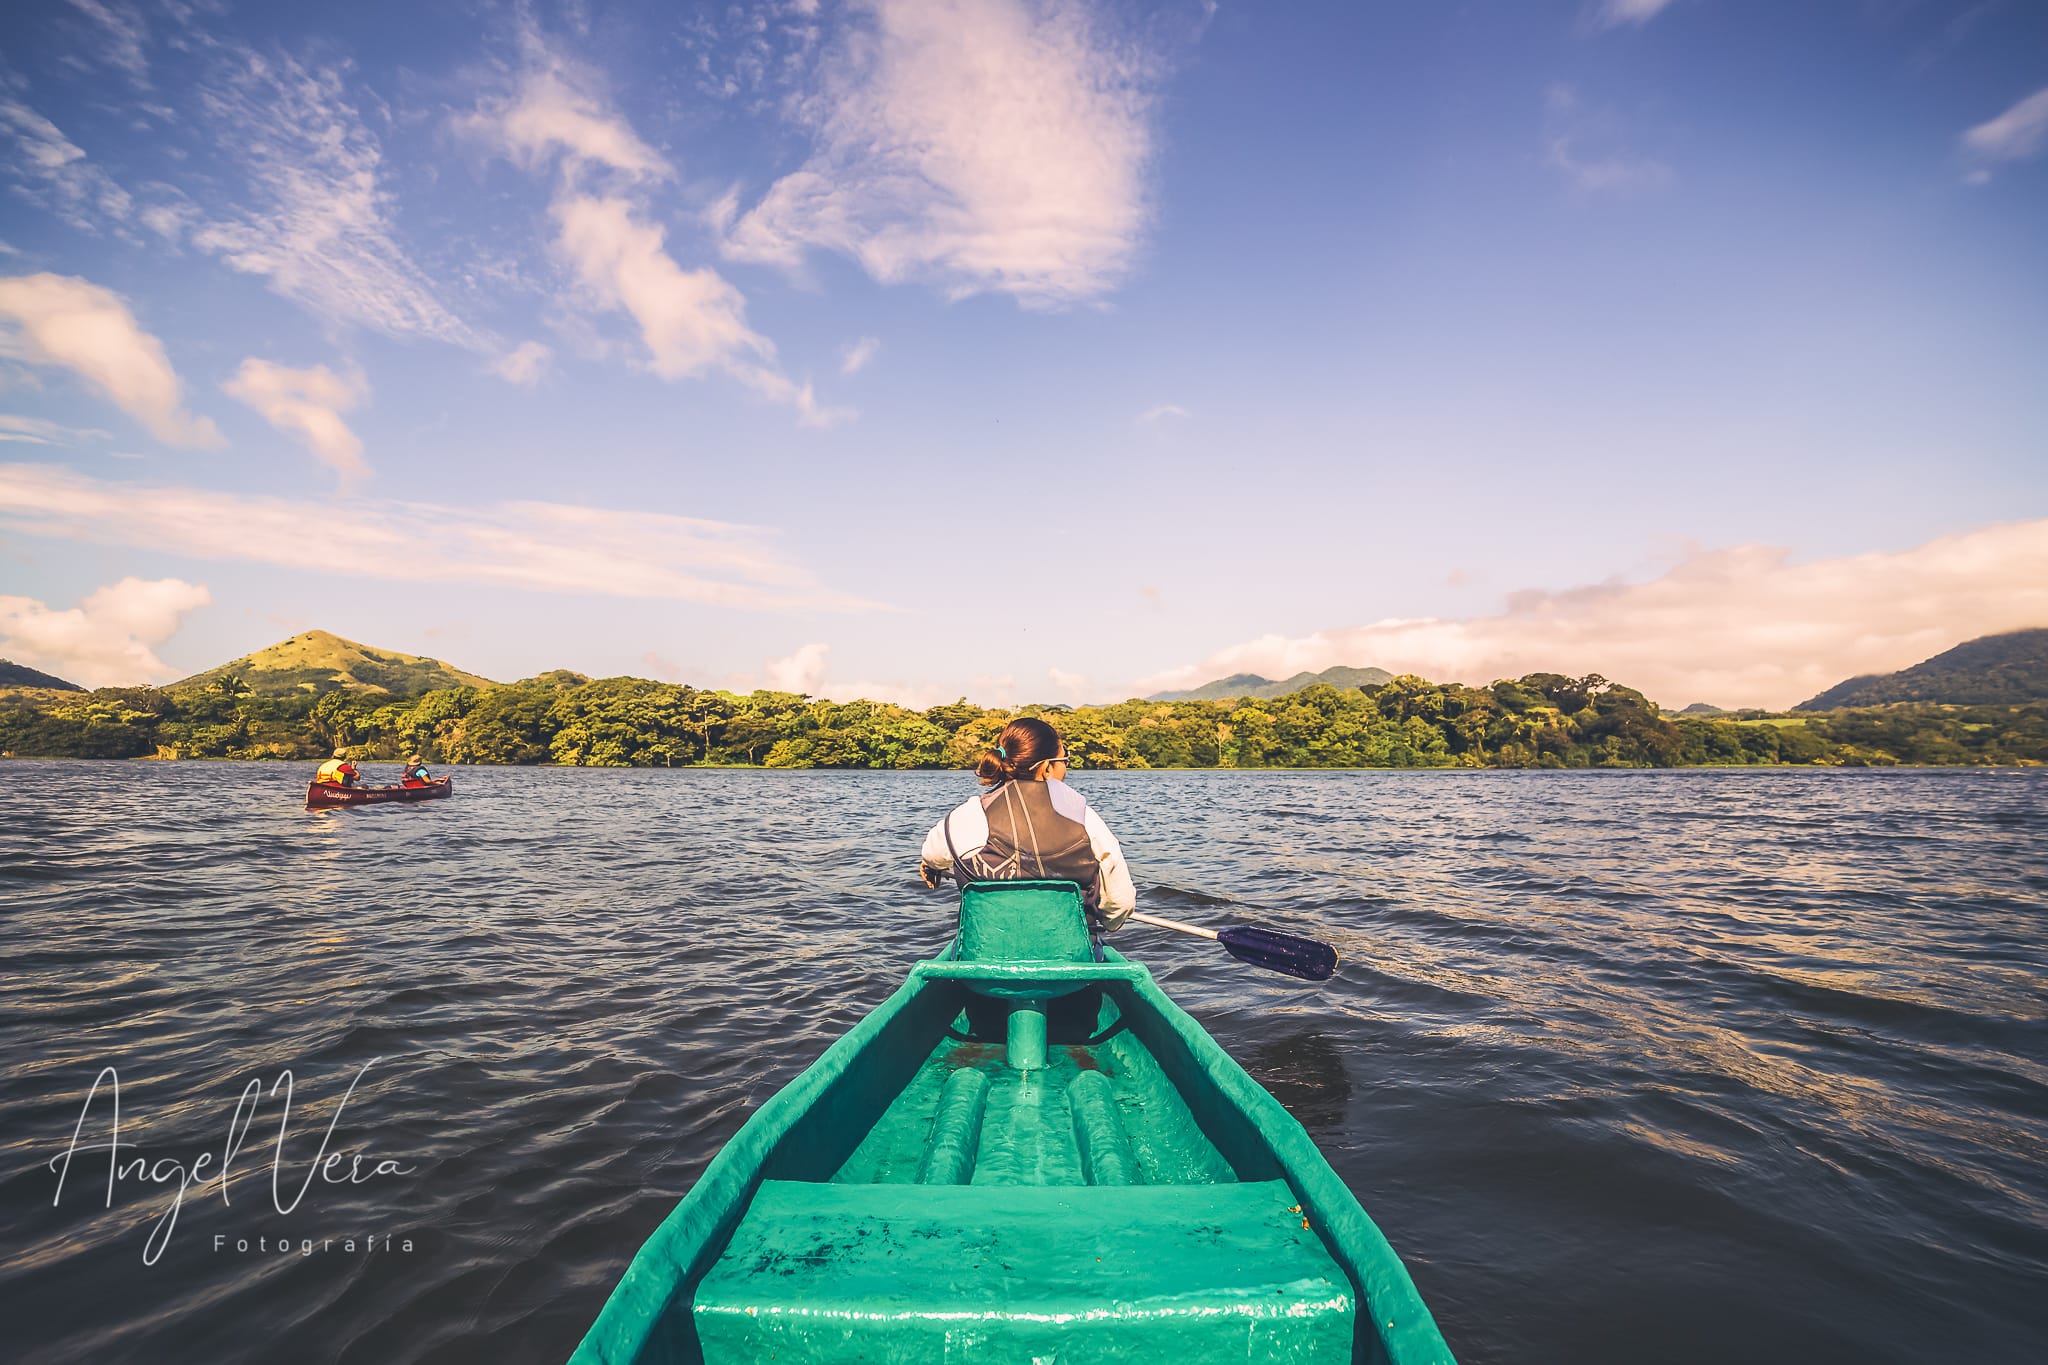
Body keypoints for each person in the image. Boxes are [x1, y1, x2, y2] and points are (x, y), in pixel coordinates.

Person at [918, 716, 1136, 933]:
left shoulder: (967, 815)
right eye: (1065, 760)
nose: (1066, 768)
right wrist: (1110, 921)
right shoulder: (1085, 819)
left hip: (985, 949)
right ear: (1046, 768)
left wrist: (932, 866)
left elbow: (932, 854)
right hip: (1070, 949)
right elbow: (1121, 903)